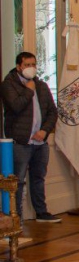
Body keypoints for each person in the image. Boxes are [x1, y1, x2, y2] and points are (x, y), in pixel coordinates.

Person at [1, 52, 59, 223]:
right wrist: (28, 90)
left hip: (40, 141)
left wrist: (45, 131)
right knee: (17, 181)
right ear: (19, 66)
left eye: (33, 64)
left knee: (38, 178)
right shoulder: (8, 84)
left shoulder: (41, 86)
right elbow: (15, 106)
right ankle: (15, 217)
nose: (31, 68)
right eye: (27, 65)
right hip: (20, 142)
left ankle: (41, 212)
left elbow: (52, 112)